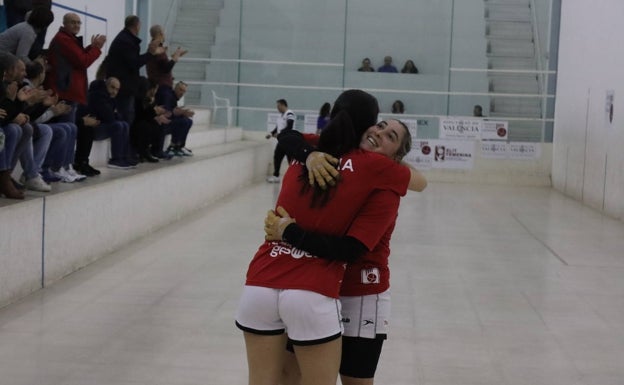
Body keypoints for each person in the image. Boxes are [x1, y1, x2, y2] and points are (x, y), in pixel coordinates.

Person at [235, 90, 418, 385]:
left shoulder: (382, 178)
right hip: (317, 286)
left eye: (391, 136)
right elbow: (290, 138)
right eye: (381, 126)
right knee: (289, 376)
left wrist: (288, 232)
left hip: (359, 290)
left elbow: (353, 249)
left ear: (397, 158)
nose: (380, 133)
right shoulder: (324, 154)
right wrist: (308, 155)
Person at [45, 12, 106, 124]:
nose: (77, 25)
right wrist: (96, 49)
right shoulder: (64, 39)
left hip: (67, 91)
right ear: (64, 24)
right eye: (73, 22)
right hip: (65, 91)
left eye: (78, 23)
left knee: (69, 129)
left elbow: (78, 58)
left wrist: (91, 48)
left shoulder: (68, 39)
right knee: (67, 129)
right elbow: (83, 61)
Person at [103, 15, 162, 126]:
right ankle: (124, 142)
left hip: (125, 85)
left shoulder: (125, 39)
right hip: (124, 87)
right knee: (126, 119)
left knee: (127, 117)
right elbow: (134, 63)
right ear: (137, 26)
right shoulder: (126, 41)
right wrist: (150, 53)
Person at [76, 77, 134, 169]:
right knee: (118, 125)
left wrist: (114, 114)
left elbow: (115, 116)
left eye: (117, 90)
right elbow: (109, 116)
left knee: (124, 125)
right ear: (105, 86)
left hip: (100, 125)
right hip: (91, 128)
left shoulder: (110, 98)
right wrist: (114, 114)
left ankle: (124, 157)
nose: (114, 92)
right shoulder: (98, 96)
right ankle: (116, 159)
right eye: (112, 87)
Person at [154, 80, 194, 157]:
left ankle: (179, 146)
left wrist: (182, 112)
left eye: (184, 91)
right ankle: (173, 147)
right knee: (184, 122)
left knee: (188, 121)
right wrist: (181, 112)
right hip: (161, 123)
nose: (182, 93)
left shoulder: (174, 97)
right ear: (175, 88)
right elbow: (167, 113)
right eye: (180, 90)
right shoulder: (168, 96)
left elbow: (172, 111)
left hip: (167, 122)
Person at [266, 98, 295, 183]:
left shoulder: (289, 113)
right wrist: (271, 134)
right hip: (282, 141)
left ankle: (293, 177)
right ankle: (276, 176)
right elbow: (277, 128)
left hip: (289, 141)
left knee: (291, 160)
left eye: (278, 106)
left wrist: (280, 134)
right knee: (277, 157)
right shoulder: (280, 116)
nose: (277, 108)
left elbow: (289, 126)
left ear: (283, 105)